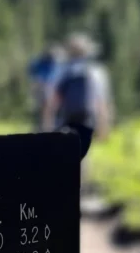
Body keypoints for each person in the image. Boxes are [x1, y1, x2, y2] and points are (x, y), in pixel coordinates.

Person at [42, 32, 114, 161]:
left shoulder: (62, 71)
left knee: (66, 158)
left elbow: (52, 102)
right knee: (83, 157)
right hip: (87, 121)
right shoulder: (95, 72)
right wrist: (104, 126)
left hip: (66, 121)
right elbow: (101, 103)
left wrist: (47, 126)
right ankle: (82, 178)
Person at [27, 44, 65, 130]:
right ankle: (46, 128)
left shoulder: (50, 63)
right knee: (46, 109)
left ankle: (45, 127)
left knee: (46, 109)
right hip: (45, 86)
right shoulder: (45, 63)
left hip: (46, 87)